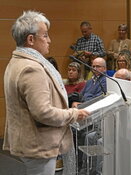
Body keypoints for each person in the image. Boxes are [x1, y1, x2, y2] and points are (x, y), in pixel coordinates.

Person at [3, 11, 89, 175]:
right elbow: (43, 112)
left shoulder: (16, 61)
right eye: (45, 36)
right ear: (31, 39)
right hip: (38, 144)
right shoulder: (32, 68)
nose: (49, 40)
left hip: (29, 141)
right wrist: (73, 114)